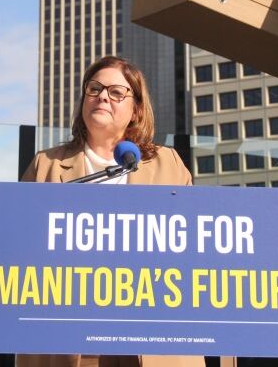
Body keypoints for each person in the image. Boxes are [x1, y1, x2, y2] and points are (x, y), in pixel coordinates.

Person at [18, 56, 203, 367]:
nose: (103, 96)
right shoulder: (46, 165)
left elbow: (195, 248)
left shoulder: (167, 164)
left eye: (117, 92)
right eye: (94, 89)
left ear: (137, 110)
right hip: (70, 342)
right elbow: (19, 247)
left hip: (151, 343)